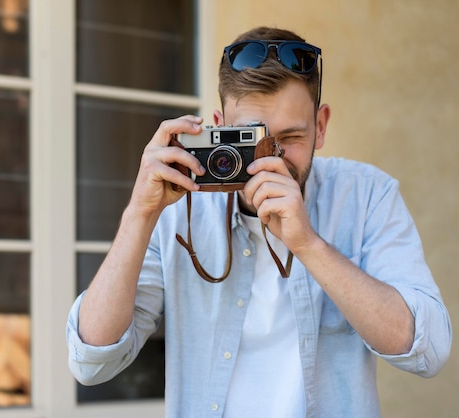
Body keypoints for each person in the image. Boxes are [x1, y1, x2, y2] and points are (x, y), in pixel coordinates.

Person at [66, 26, 452, 417]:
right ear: (218, 126)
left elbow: (428, 351)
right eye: (250, 137)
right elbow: (90, 362)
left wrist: (308, 245)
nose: (271, 158)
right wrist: (140, 214)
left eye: (291, 137)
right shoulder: (178, 208)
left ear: (320, 126)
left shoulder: (367, 195)